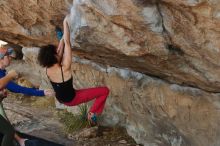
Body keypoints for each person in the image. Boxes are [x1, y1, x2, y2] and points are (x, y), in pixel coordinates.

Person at [38, 16, 110, 125]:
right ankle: (92, 113)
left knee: (61, 49)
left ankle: (60, 37)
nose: (58, 52)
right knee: (104, 91)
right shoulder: (65, 67)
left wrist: (61, 39)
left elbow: (59, 51)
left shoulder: (48, 68)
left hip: (62, 98)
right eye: (56, 53)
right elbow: (68, 43)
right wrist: (65, 22)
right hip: (73, 99)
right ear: (54, 57)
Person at [0, 47, 54, 146]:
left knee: (8, 130)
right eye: (8, 56)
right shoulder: (2, 74)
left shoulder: (2, 72)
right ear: (1, 59)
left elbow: (13, 88)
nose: (11, 59)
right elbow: (18, 89)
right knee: (9, 132)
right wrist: (42, 93)